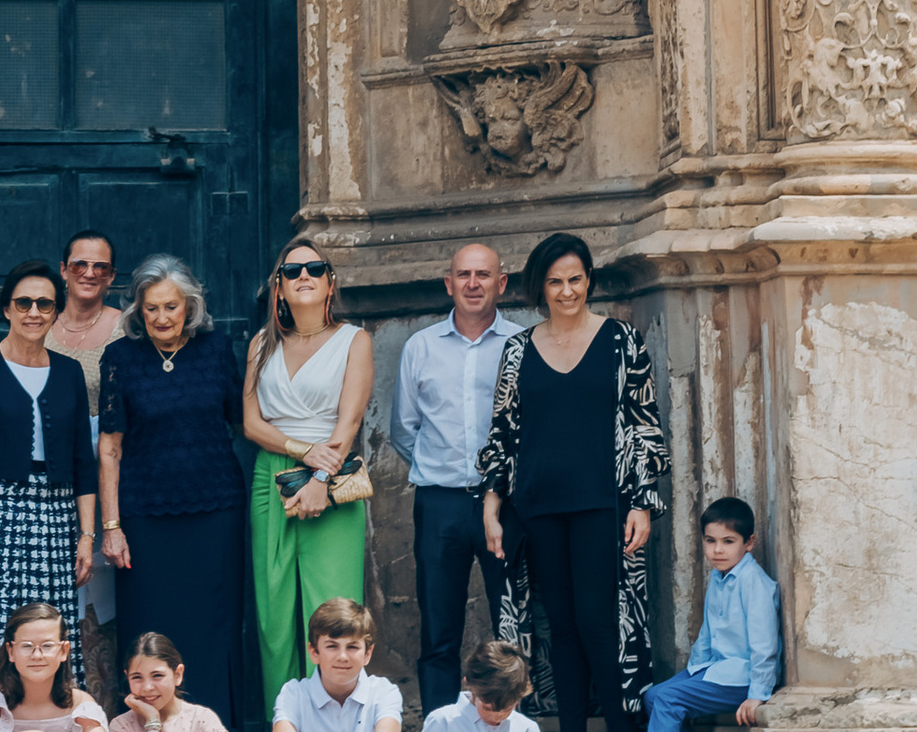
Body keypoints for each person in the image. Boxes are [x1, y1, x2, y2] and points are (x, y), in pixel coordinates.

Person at [479, 233, 669, 732]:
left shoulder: (621, 339)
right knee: (559, 629)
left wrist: (642, 503)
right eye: (555, 282)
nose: (567, 291)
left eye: (576, 279)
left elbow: (644, 423)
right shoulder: (518, 349)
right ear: (540, 287)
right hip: (538, 505)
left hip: (601, 505)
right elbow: (502, 431)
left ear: (590, 280)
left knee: (597, 623)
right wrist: (491, 507)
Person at [0, 266, 98, 701]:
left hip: (55, 512)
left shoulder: (68, 372)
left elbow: (85, 462)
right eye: (23, 302)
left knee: (50, 624)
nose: (33, 312)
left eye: (44, 303)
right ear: (7, 308)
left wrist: (86, 536)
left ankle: (53, 717)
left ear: (55, 312)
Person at [98, 259, 243, 724]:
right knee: (148, 628)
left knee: (215, 629)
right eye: (151, 307)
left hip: (216, 510)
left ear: (190, 306)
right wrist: (112, 525)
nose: (162, 317)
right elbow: (111, 450)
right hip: (144, 518)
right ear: (138, 309)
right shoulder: (119, 358)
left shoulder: (217, 349)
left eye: (172, 306)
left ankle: (212, 723)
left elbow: (244, 425)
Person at [243, 244, 372, 712]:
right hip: (270, 478)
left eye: (315, 268)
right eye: (291, 269)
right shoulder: (261, 343)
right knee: (274, 616)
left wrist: (319, 475)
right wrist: (300, 450)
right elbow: (252, 423)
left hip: (331, 480)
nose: (304, 275)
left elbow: (349, 422)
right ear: (278, 284)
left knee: (333, 612)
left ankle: (339, 719)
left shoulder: (354, 339)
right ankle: (287, 719)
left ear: (329, 283)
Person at [394, 244, 520, 718]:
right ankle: (438, 724)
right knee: (438, 631)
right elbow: (403, 428)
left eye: (483, 275)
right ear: (448, 283)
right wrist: (441, 469)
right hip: (440, 506)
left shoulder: (521, 344)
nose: (473, 283)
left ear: (500, 283)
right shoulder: (420, 347)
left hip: (506, 505)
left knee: (512, 621)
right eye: (463, 275)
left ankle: (511, 723)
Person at [47, 233, 125, 706]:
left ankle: (108, 705)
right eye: (80, 264)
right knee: (63, 592)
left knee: (107, 595)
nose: (90, 273)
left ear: (113, 276)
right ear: (64, 269)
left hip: (115, 471)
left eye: (101, 266)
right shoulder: (39, 322)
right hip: (57, 476)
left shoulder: (127, 327)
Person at [643, 501, 779, 732]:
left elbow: (764, 645)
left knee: (668, 699)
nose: (717, 550)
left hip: (741, 677)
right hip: (715, 670)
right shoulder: (718, 578)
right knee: (653, 696)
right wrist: (692, 676)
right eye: (710, 541)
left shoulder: (753, 582)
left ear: (749, 543)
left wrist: (758, 694)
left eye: (728, 541)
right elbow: (707, 634)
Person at [0, 599, 110, 732]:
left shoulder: (81, 704)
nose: (37, 656)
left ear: (64, 650)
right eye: (27, 646)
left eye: (47, 646)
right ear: (11, 651)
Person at [270, 599, 402, 732]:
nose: (342, 657)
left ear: (367, 654)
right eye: (332, 646)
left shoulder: (383, 693)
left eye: (352, 647)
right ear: (314, 652)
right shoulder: (293, 696)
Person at [118, 632, 229, 732]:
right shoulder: (122, 725)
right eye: (137, 677)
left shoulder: (201, 719)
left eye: (157, 675)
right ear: (127, 677)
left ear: (177, 675)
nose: (147, 687)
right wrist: (152, 721)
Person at [423, 640, 537, 732]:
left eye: (507, 709)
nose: (496, 717)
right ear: (470, 685)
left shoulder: (526, 727)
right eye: (487, 708)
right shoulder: (443, 722)